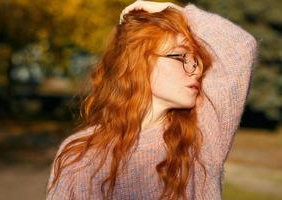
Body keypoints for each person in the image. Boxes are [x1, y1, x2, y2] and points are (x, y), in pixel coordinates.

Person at [45, 1, 258, 200]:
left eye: (197, 60)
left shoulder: (200, 138)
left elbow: (240, 46)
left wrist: (175, 11)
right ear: (140, 62)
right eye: (181, 56)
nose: (196, 70)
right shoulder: (80, 153)